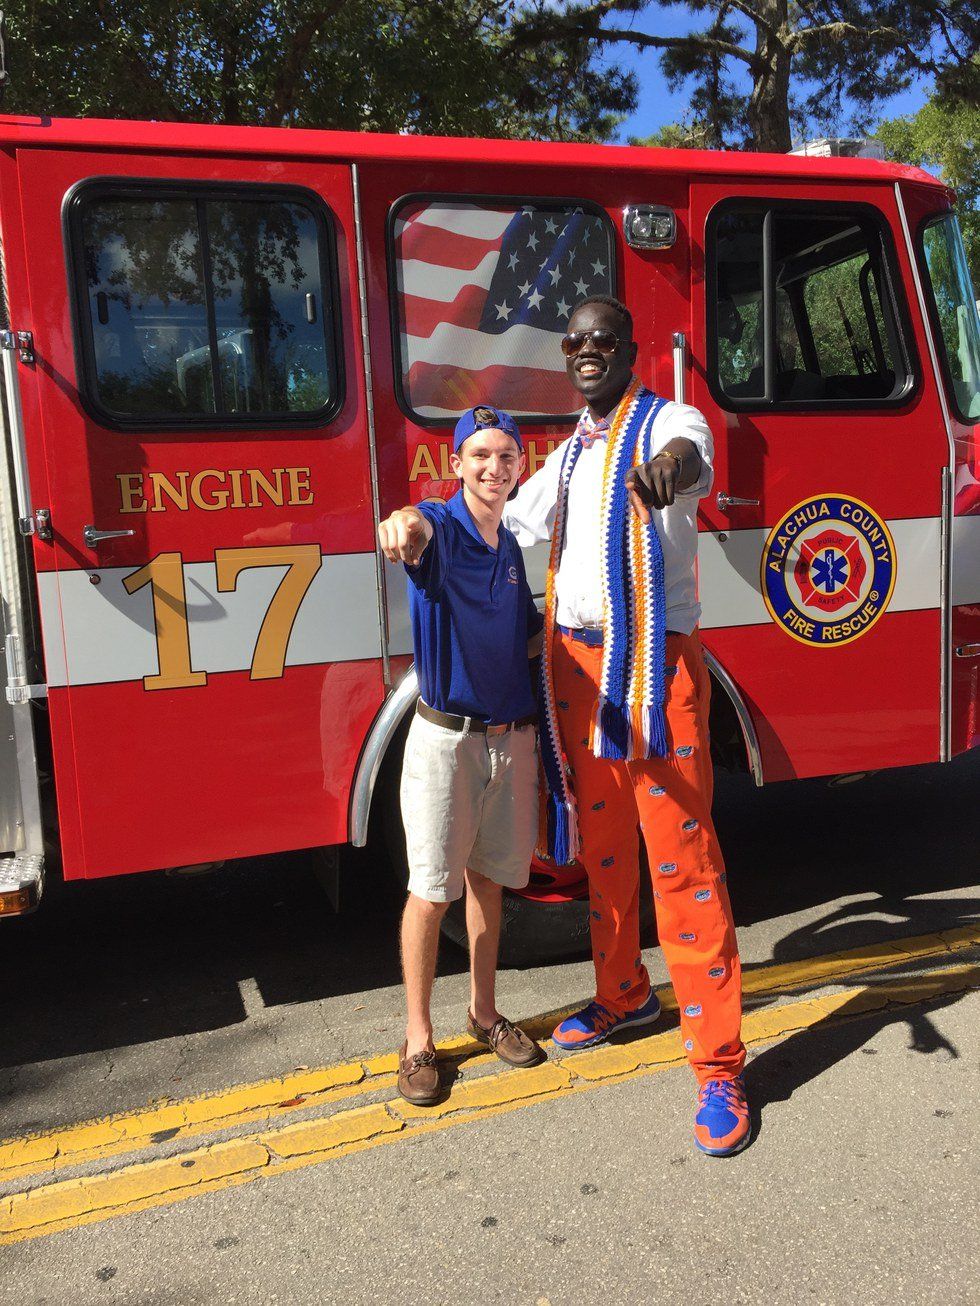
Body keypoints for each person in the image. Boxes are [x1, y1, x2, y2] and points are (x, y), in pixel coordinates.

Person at [504, 296, 750, 1157]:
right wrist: (422, 518)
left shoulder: (666, 422)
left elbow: (691, 459)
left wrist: (666, 470)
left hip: (654, 668)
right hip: (578, 669)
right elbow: (507, 517)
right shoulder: (568, 451)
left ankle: (718, 1062)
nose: (587, 352)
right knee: (601, 847)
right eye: (574, 341)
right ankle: (623, 993)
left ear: (631, 351)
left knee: (683, 862)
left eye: (602, 340)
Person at [378, 404, 545, 1107]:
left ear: (519, 468)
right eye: (480, 455)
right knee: (430, 892)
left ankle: (483, 1013)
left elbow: (532, 640)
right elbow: (408, 527)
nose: (494, 468)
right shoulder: (441, 527)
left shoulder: (506, 543)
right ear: (456, 464)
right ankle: (417, 1040)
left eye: (506, 457)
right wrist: (400, 527)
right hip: (447, 743)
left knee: (488, 885)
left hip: (509, 740)